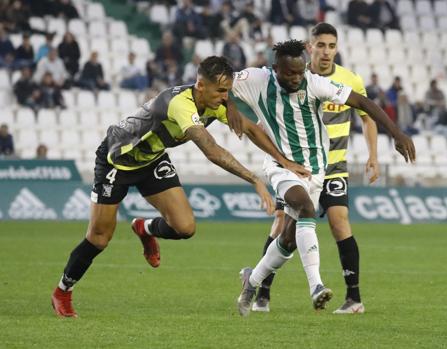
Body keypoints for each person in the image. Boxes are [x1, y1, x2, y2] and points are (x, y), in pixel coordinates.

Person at [50, 56, 310, 318]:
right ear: (200, 85)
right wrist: (255, 179)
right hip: (117, 161)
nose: (225, 97)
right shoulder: (181, 104)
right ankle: (63, 290)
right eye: (221, 91)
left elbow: (251, 130)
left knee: (185, 227)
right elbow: (211, 150)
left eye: (228, 91)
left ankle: (144, 228)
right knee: (99, 237)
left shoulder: (214, 103)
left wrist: (285, 162)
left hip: (152, 160)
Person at [233, 39, 415, 316]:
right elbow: (217, 84)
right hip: (280, 166)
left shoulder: (315, 83)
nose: (295, 79)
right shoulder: (256, 79)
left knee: (288, 241)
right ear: (275, 69)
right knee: (305, 208)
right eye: (288, 73)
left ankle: (252, 280)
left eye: (299, 72)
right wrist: (226, 108)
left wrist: (397, 133)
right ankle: (316, 286)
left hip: (316, 169)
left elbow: (362, 101)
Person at [251, 23, 380, 315]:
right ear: (310, 47)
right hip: (299, 168)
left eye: (332, 46)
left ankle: (354, 298)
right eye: (320, 45)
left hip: (334, 166)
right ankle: (262, 294)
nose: (326, 51)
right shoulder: (296, 77)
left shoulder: (349, 80)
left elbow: (367, 116)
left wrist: (373, 155)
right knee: (283, 225)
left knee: (339, 222)